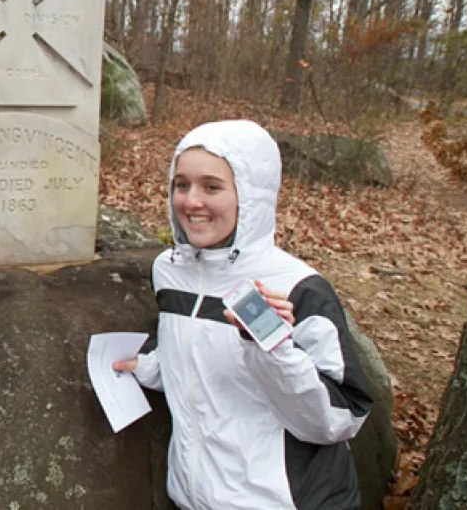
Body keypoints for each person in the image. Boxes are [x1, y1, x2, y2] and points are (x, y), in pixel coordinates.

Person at [113, 120, 374, 509]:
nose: (190, 201)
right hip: (193, 497)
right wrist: (148, 365)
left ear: (250, 196)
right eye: (181, 184)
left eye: (212, 186)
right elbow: (199, 362)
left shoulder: (298, 288)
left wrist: (273, 347)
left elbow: (339, 420)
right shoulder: (169, 271)